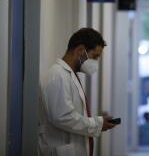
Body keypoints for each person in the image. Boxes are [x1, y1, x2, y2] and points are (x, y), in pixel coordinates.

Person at [38, 28, 117, 156]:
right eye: (95, 57)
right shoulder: (57, 76)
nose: (96, 63)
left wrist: (98, 123)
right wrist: (96, 123)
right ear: (80, 51)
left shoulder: (69, 75)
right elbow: (63, 117)